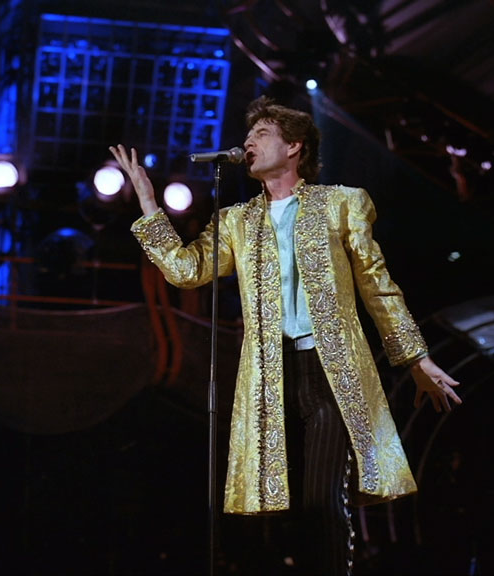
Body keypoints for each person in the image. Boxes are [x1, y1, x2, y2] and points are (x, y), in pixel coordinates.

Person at [110, 95, 462, 575]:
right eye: (248, 135)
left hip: (330, 372)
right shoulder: (236, 221)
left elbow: (377, 286)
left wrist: (416, 360)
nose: (248, 143)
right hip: (269, 379)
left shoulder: (342, 203)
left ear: (295, 146)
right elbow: (186, 270)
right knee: (284, 510)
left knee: (321, 501)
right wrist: (149, 204)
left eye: (261, 134)